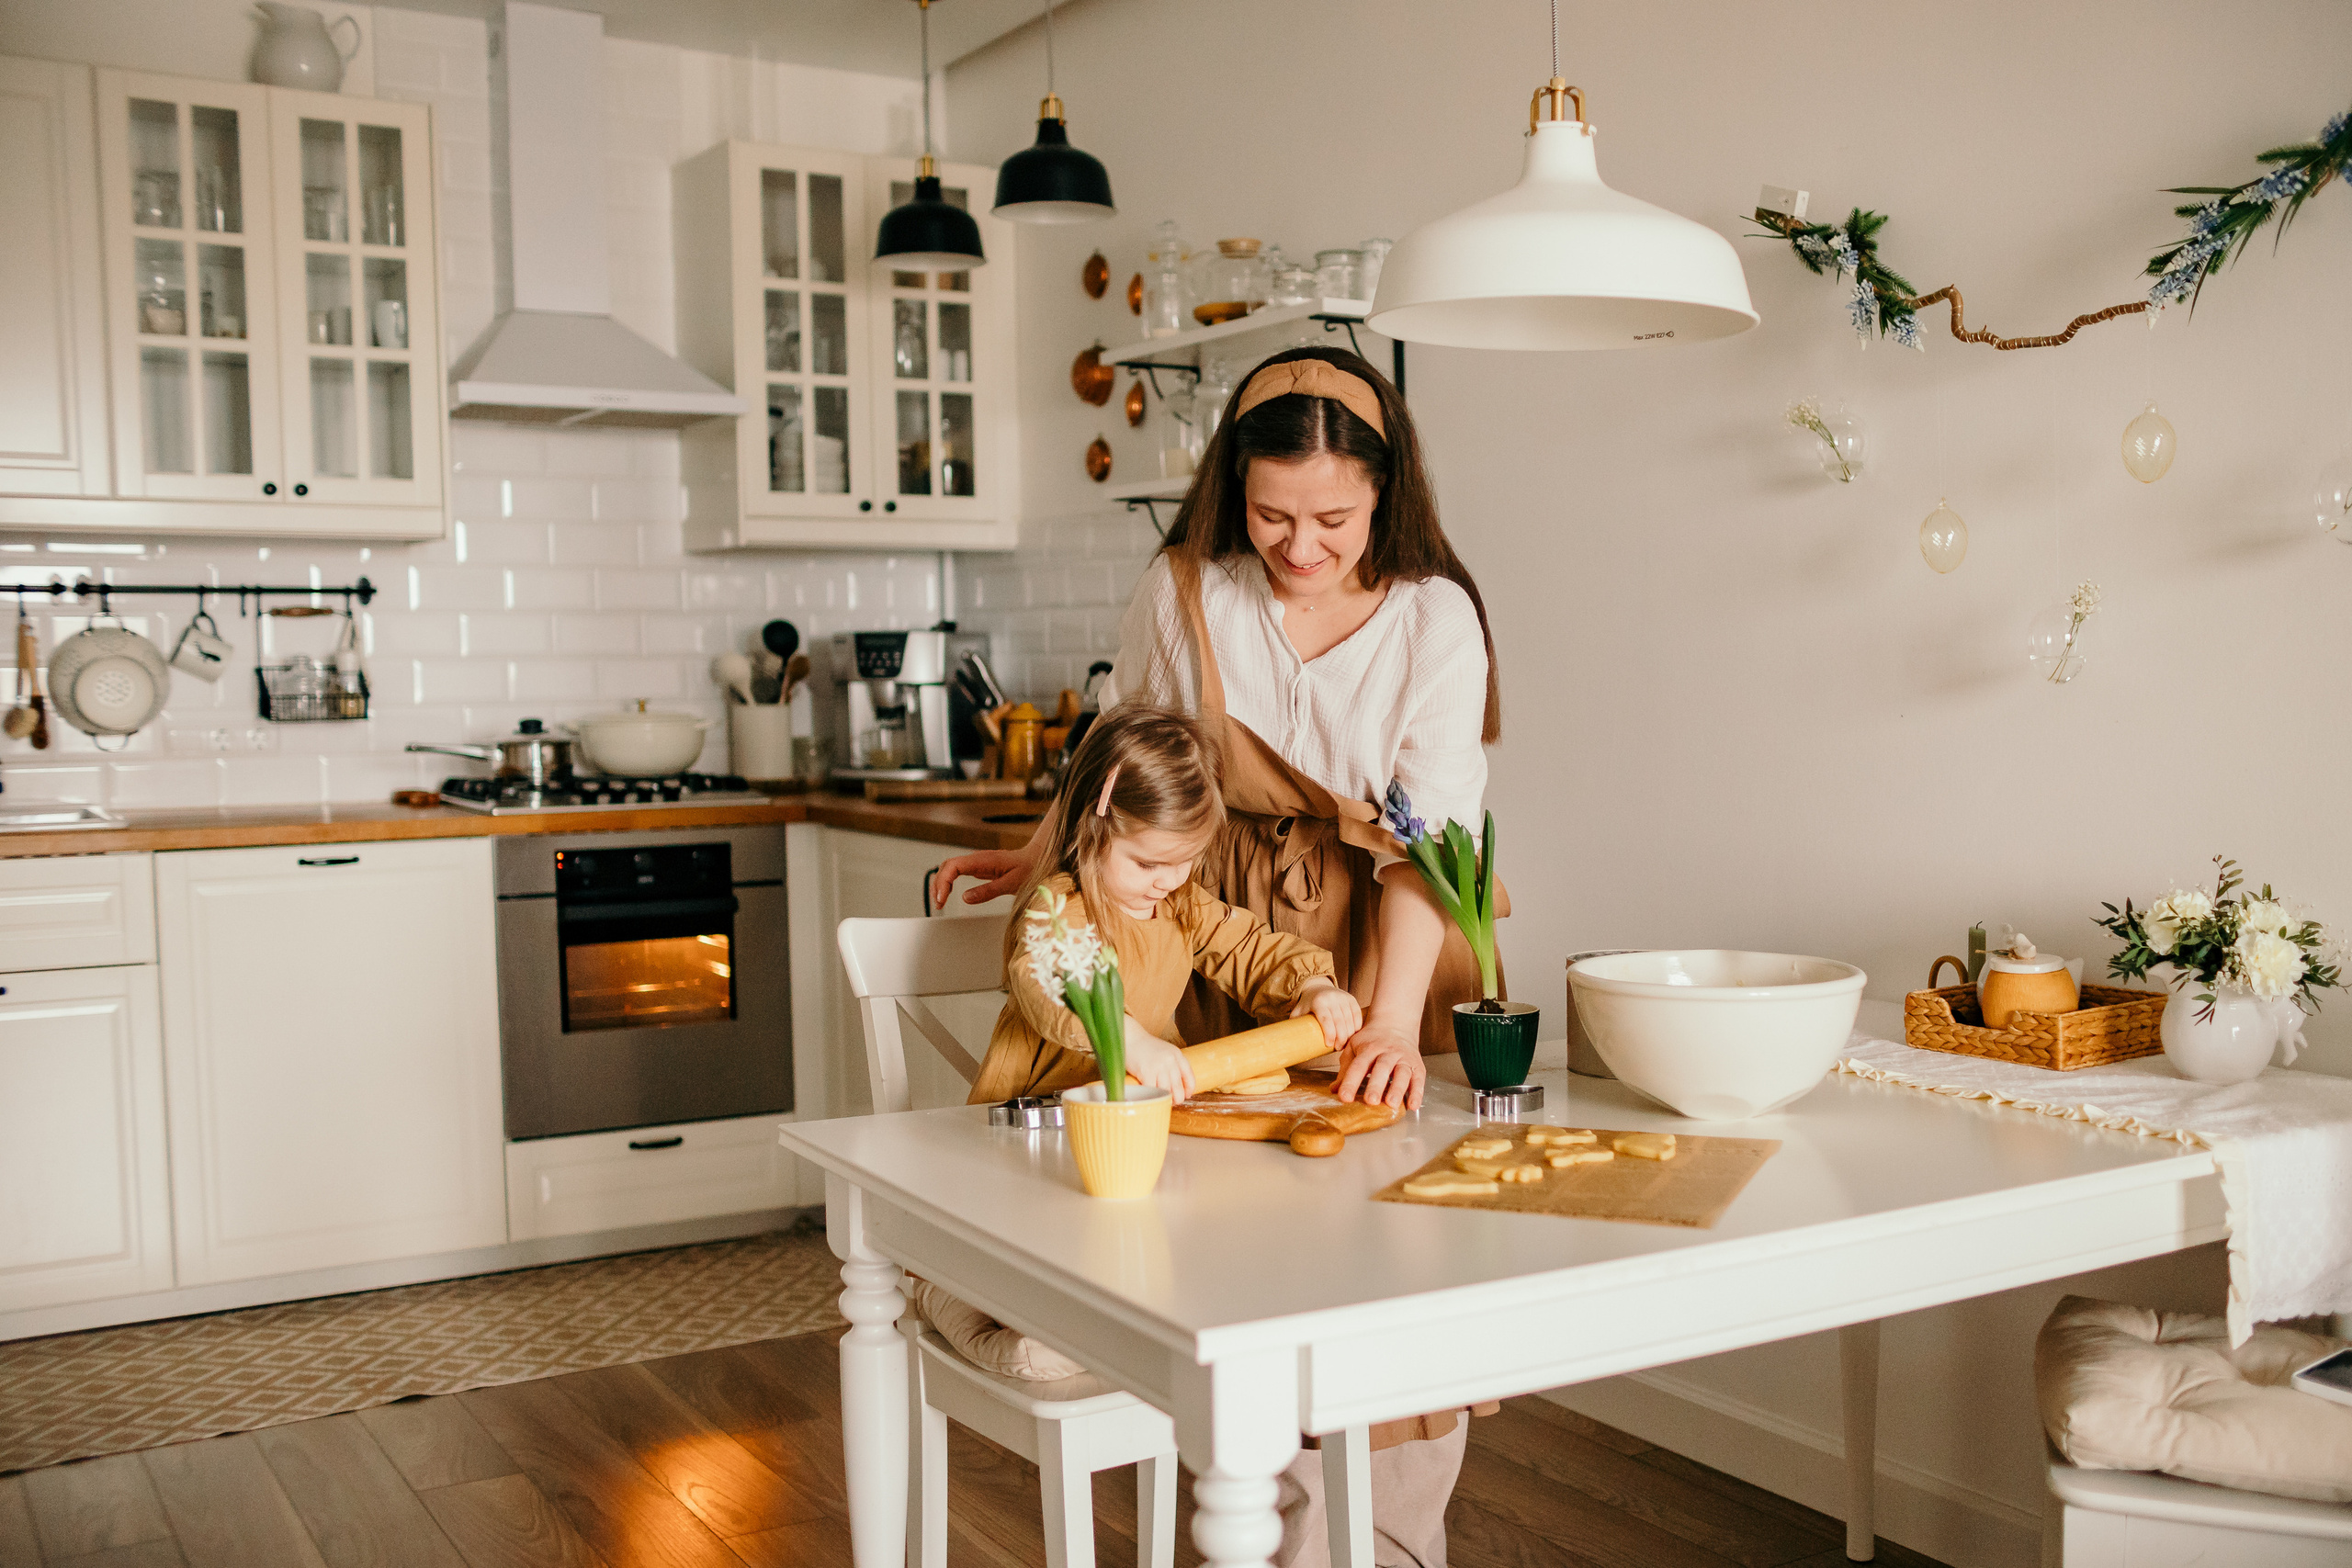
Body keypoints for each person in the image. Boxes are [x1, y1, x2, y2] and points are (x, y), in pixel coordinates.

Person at [935, 345, 1503, 1114]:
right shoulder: (1184, 592)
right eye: (1272, 515)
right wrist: (1049, 849)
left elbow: (1428, 848)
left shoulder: (1434, 621)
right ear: (1236, 487)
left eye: (1333, 520)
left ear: (1384, 492)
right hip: (1217, 923)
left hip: (1387, 936)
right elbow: (1119, 742)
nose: (1300, 549)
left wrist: (1394, 1021)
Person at [967, 704, 1362, 1104]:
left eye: (1184, 860)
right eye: (1147, 863)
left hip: (1139, 1105)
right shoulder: (1060, 908)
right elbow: (1050, 977)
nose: (1169, 880)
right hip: (1038, 1110)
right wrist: (1129, 1041)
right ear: (1091, 831)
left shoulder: (1181, 904)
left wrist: (1310, 987)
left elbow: (1248, 948)